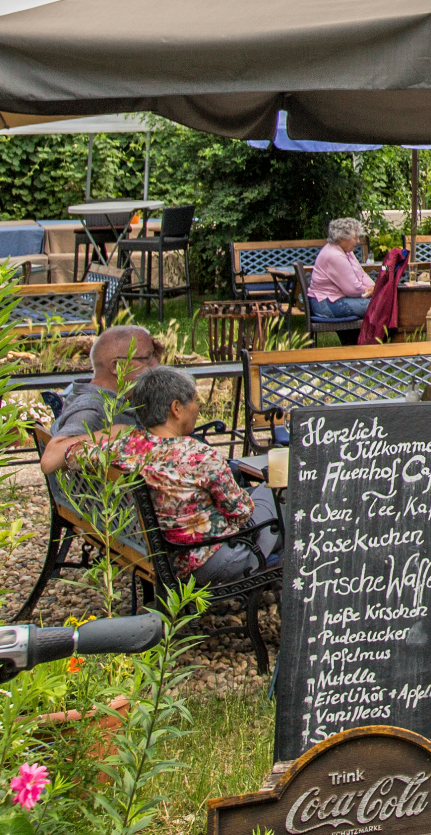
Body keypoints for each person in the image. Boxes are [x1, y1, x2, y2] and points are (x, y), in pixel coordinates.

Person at [78, 364, 279, 583]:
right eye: (193, 400)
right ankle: (286, 587)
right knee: (278, 495)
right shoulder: (200, 456)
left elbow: (73, 454)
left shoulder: (123, 447)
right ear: (176, 408)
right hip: (211, 562)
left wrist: (113, 436)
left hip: (157, 555)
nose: (197, 407)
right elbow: (242, 513)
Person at [41, 324, 159, 473]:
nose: (155, 364)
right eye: (147, 357)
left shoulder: (117, 398)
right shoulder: (91, 409)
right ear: (116, 366)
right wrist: (115, 432)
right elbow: (50, 459)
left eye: (155, 356)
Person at [305, 218, 374, 330]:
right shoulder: (335, 256)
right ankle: (374, 342)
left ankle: (358, 342)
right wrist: (372, 291)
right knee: (379, 305)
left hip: (337, 299)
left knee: (380, 302)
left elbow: (361, 273)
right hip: (326, 304)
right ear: (342, 238)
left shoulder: (347, 252)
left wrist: (373, 287)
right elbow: (353, 289)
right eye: (355, 238)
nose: (358, 241)